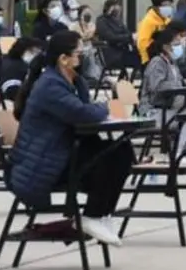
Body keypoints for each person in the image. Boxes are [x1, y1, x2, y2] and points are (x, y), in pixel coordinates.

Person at [10, 31, 134, 247]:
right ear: (63, 59)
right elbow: (84, 113)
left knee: (122, 150)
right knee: (109, 158)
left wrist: (87, 95)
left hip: (63, 153)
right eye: (78, 52)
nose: (82, 56)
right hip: (43, 165)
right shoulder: (50, 85)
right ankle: (93, 215)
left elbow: (85, 111)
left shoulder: (71, 82)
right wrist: (103, 107)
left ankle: (101, 214)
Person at [95, 0, 140, 70]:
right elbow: (111, 38)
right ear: (109, 9)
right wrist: (130, 37)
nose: (118, 12)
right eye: (115, 10)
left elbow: (127, 33)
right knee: (139, 59)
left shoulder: (118, 21)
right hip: (113, 55)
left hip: (123, 51)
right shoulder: (101, 21)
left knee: (142, 56)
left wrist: (133, 37)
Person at [137, 0, 173, 64]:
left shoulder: (166, 20)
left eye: (170, 5)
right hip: (151, 58)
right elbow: (142, 43)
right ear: (156, 7)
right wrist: (146, 61)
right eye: (165, 6)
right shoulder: (148, 21)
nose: (168, 8)